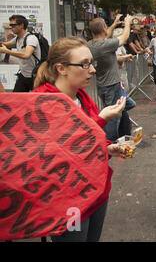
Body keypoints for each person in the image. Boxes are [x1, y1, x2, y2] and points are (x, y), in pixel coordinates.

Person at [33, 36, 128, 241]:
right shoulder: (42, 102)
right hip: (65, 201)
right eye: (85, 64)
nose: (92, 70)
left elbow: (91, 143)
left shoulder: (82, 97)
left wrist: (107, 148)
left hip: (96, 192)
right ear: (61, 68)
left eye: (91, 63)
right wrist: (101, 119)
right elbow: (58, 152)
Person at [88, 14, 132, 142]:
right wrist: (127, 23)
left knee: (124, 109)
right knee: (114, 117)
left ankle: (125, 137)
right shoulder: (104, 45)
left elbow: (106, 35)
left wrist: (114, 23)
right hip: (111, 85)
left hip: (106, 85)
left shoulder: (92, 44)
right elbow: (123, 38)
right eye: (106, 26)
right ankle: (109, 142)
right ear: (103, 28)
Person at [0, 15, 41, 92]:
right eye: (10, 25)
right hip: (23, 75)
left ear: (21, 25)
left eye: (13, 25)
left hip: (35, 77)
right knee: (16, 100)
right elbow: (6, 44)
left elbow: (26, 55)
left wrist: (6, 51)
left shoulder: (31, 38)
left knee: (37, 100)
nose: (11, 27)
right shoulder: (18, 38)